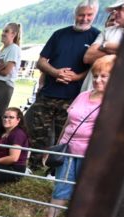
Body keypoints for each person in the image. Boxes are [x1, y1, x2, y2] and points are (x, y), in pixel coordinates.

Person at [34, 55, 115, 217]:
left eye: (104, 76)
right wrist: (56, 146)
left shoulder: (114, 103)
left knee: (85, 191)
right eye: (95, 76)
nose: (98, 80)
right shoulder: (83, 95)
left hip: (90, 156)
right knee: (61, 187)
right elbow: (68, 123)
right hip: (68, 150)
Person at [27, 0, 100, 173]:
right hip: (48, 93)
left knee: (66, 137)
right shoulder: (59, 34)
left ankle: (56, 170)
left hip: (73, 96)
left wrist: (76, 77)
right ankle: (34, 166)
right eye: (81, 14)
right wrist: (56, 72)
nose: (84, 18)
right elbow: (41, 61)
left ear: (94, 15)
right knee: (38, 133)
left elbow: (94, 67)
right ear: (75, 14)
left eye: (89, 15)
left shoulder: (96, 37)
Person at [0, 23, 23, 119]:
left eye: (6, 31)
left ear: (13, 34)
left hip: (4, 86)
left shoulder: (14, 48)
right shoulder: (0, 51)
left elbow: (6, 72)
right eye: (3, 31)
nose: (3, 33)